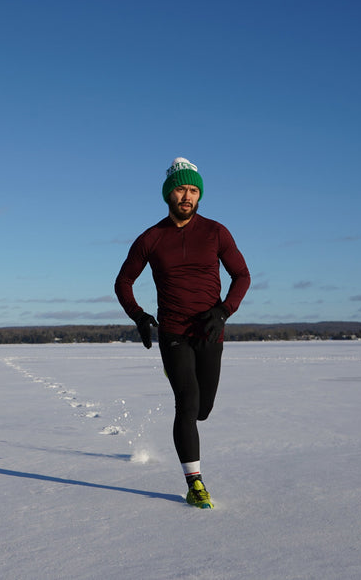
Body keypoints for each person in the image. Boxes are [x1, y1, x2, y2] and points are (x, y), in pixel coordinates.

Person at [114, 157, 251, 509]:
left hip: (209, 331)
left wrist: (223, 312)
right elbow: (124, 281)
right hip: (173, 331)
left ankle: (181, 374)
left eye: (193, 190)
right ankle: (195, 484)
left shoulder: (216, 232)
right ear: (168, 195)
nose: (186, 196)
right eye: (180, 189)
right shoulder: (152, 237)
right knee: (186, 404)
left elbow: (242, 276)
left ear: (199, 194)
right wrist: (140, 317)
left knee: (204, 409)